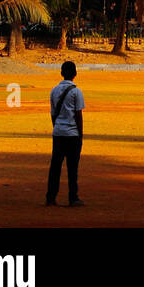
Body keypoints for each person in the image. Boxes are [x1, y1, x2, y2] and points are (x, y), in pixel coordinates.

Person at [45, 61, 85, 207]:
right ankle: (73, 197)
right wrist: (80, 136)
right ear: (75, 74)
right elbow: (78, 115)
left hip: (58, 133)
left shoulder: (54, 90)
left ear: (62, 73)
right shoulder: (76, 92)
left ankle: (50, 197)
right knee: (72, 168)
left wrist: (56, 127)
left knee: (55, 167)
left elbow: (53, 113)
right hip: (72, 134)